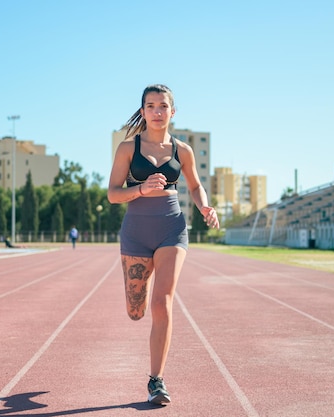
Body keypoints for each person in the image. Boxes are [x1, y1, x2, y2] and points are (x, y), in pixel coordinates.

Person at [107, 84, 219, 405]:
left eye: (163, 106)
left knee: (162, 303)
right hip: (136, 231)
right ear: (143, 111)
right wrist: (141, 189)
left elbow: (196, 187)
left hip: (172, 228)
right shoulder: (128, 149)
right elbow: (113, 194)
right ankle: (136, 309)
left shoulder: (183, 151)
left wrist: (204, 206)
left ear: (172, 111)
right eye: (151, 106)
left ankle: (156, 380)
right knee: (136, 310)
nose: (157, 112)